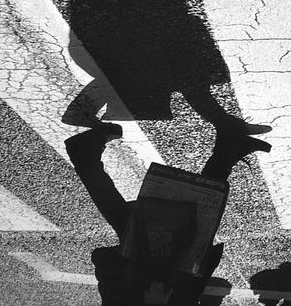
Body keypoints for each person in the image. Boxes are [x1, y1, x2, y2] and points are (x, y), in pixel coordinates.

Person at [66, 120, 271, 305]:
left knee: (167, 232)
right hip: (153, 288)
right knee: (182, 233)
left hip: (141, 289)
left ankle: (227, 150)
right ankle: (228, 150)